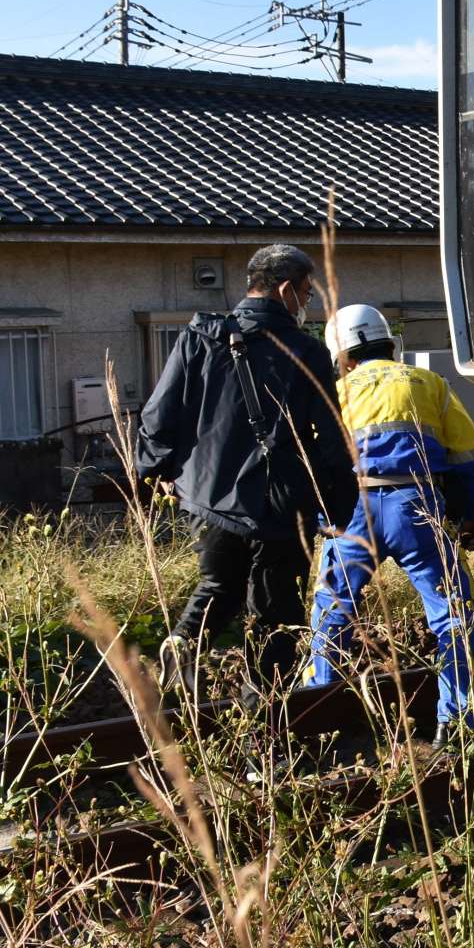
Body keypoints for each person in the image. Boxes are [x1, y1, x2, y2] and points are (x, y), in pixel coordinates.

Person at [139, 244, 356, 699]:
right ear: (285, 290)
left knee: (219, 584)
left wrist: (158, 470)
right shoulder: (305, 351)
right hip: (280, 503)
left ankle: (185, 642)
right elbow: (333, 437)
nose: (306, 302)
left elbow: (158, 414)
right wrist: (339, 506)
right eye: (306, 293)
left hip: (208, 497)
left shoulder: (199, 337)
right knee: (276, 612)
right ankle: (264, 714)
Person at [305, 305, 474, 744]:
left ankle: (324, 725)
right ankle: (456, 723)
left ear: (343, 356)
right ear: (390, 344)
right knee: (456, 616)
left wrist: (322, 520)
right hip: (416, 507)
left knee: (332, 615)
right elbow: (468, 456)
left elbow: (314, 464)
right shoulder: (429, 383)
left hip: (352, 512)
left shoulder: (333, 392)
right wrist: (470, 514)